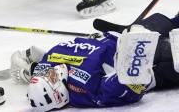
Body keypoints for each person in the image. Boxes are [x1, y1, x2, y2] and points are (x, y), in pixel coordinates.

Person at [10, 12, 179, 111]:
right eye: (51, 78)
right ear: (59, 92)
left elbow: (32, 64)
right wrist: (135, 44)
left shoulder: (47, 69)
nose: (50, 73)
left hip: (120, 36)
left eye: (46, 75)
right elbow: (131, 79)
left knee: (167, 21)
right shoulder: (87, 93)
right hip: (151, 59)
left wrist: (28, 67)